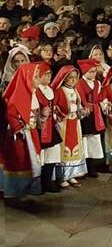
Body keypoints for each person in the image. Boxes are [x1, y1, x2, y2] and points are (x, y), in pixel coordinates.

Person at [0, 63, 43, 198]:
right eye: (35, 77)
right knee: (19, 162)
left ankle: (30, 188)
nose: (38, 79)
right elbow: (10, 115)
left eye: (38, 76)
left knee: (33, 162)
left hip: (32, 133)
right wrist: (18, 127)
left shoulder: (35, 93)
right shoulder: (17, 97)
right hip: (20, 137)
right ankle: (15, 191)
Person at [52, 65, 88, 188]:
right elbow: (54, 107)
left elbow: (79, 106)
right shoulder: (59, 91)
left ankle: (72, 175)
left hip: (75, 122)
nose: (73, 80)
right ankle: (62, 176)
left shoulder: (75, 90)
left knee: (75, 147)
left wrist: (82, 111)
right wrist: (59, 115)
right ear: (64, 78)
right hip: (64, 124)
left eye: (75, 78)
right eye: (70, 78)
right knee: (65, 148)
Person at [76, 59, 106, 178]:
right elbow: (81, 98)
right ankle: (84, 166)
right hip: (86, 114)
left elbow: (99, 97)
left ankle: (92, 165)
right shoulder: (80, 83)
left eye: (94, 71)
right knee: (84, 141)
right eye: (91, 72)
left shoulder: (97, 83)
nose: (93, 74)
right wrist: (86, 106)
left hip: (96, 114)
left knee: (94, 140)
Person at [35, 62, 62, 193]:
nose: (48, 76)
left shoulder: (51, 89)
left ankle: (48, 180)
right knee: (42, 156)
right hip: (40, 128)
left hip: (51, 126)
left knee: (53, 153)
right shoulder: (36, 91)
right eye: (45, 74)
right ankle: (40, 183)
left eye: (50, 74)